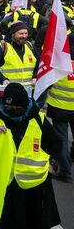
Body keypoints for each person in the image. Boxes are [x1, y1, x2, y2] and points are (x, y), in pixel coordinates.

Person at [0, 84, 61, 229]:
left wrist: (53, 165)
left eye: (17, 107)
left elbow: (56, 143)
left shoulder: (39, 119)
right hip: (0, 186)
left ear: (25, 105)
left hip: (32, 188)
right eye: (9, 107)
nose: (13, 110)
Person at [46, 32, 74, 183]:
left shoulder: (58, 63)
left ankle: (65, 172)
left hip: (59, 107)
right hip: (64, 107)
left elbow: (47, 82)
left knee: (62, 140)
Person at [0, 21, 37, 90]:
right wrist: (3, 80)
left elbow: (38, 64)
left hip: (28, 90)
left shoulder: (30, 46)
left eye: (26, 33)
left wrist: (35, 76)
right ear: (13, 34)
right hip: (7, 90)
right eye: (21, 33)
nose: (24, 36)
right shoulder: (0, 47)